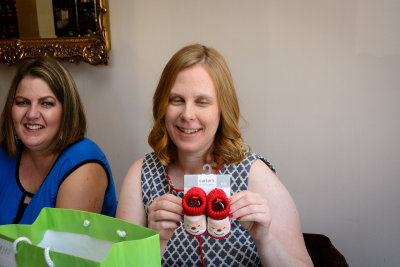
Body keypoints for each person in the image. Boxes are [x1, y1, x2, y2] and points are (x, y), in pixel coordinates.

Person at [116, 44, 313, 266]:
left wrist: (265, 240)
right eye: (176, 100)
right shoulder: (142, 175)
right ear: (162, 105)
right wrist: (156, 243)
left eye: (202, 102)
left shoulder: (253, 175)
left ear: (222, 109)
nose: (187, 114)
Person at [0, 57, 117, 225]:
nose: (32, 114)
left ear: (66, 111)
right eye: (23, 102)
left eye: (46, 103)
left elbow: (64, 250)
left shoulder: (83, 162)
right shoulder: (4, 155)